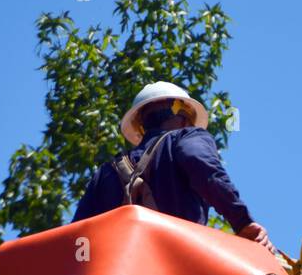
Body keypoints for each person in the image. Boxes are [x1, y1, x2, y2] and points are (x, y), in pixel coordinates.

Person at [72, 82, 275, 252]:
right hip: (177, 271)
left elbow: (76, 235)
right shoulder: (187, 137)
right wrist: (242, 222)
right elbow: (205, 169)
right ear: (183, 117)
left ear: (141, 126)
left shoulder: (105, 173)